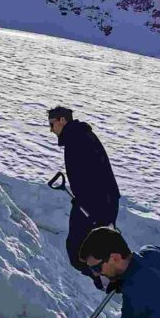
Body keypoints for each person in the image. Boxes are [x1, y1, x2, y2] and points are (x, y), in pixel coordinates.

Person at [48, 107, 120, 289]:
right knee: (96, 244)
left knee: (77, 250)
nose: (51, 129)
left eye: (52, 124)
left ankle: (107, 279)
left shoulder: (76, 138)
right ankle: (111, 276)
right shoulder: (81, 135)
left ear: (62, 120)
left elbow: (91, 174)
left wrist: (87, 202)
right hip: (102, 200)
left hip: (96, 203)